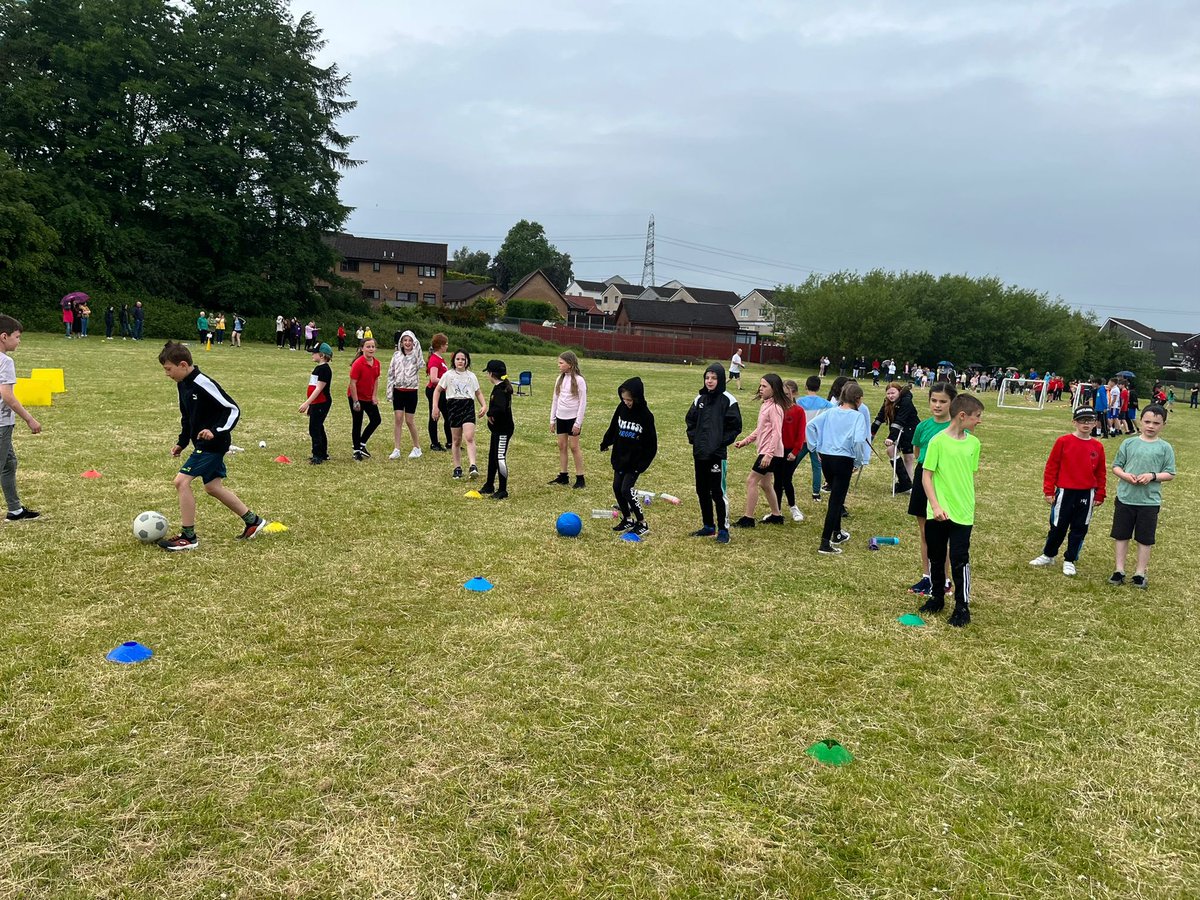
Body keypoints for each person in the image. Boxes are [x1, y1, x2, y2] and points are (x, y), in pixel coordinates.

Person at [156, 341, 266, 550]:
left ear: (182, 364)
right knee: (213, 487)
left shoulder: (202, 382)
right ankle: (253, 521)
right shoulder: (183, 384)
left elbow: (232, 409)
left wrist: (215, 431)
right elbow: (187, 417)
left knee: (181, 482)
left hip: (214, 444)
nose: (167, 374)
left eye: (168, 369)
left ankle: (188, 537)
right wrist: (182, 442)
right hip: (202, 443)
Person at [917, 394, 984, 627]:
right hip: (937, 511)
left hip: (963, 512)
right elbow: (927, 475)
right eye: (977, 417)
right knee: (936, 556)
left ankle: (962, 606)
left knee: (959, 559)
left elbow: (966, 475)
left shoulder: (974, 444)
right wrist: (935, 505)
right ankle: (937, 597)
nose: (979, 421)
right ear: (962, 416)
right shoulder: (937, 441)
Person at [1030, 406, 1107, 575]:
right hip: (1065, 492)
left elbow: (1101, 472)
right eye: (1082, 420)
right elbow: (1052, 467)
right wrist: (1049, 490)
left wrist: (1100, 493)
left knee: (1080, 528)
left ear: (1095, 423)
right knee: (1058, 526)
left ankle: (1070, 559)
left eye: (1090, 420)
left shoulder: (1097, 446)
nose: (1086, 424)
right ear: (1074, 422)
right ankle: (1049, 554)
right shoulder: (1063, 441)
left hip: (1087, 493)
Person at [1108, 405, 1175, 589]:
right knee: (1121, 535)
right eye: (1147, 422)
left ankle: (1139, 572)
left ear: (1163, 425)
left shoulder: (1165, 448)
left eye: (1156, 423)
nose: (1151, 426)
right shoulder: (1128, 443)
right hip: (1125, 498)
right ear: (1140, 421)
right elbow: (1116, 466)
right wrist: (1125, 476)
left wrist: (1152, 476)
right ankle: (1119, 570)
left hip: (1149, 502)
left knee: (1145, 538)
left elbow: (1170, 473)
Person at [907, 382, 958, 596]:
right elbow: (918, 451)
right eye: (934, 400)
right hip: (923, 477)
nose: (937, 405)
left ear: (952, 403)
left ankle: (944, 578)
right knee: (925, 532)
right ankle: (927, 577)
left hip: (943, 481)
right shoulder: (923, 426)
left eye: (943, 401)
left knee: (942, 534)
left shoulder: (955, 428)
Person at [806, 381, 868, 554]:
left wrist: (814, 447)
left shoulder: (831, 411)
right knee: (836, 501)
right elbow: (858, 441)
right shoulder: (858, 417)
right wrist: (858, 461)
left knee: (836, 495)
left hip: (826, 458)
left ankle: (837, 533)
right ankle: (825, 543)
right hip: (844, 460)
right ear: (857, 399)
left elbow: (810, 426)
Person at [685, 363, 742, 543]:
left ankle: (724, 529)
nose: (710, 381)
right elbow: (690, 421)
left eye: (714, 378)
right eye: (707, 377)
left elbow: (735, 427)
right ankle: (708, 526)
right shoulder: (699, 399)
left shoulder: (728, 400)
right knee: (702, 490)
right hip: (700, 453)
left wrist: (719, 442)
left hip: (717, 455)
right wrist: (695, 439)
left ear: (720, 379)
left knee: (717, 492)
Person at [600, 376, 658, 536]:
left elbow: (651, 444)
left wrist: (642, 464)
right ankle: (627, 518)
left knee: (627, 489)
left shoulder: (646, 416)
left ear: (637, 398)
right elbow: (614, 426)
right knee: (617, 488)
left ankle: (642, 522)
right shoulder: (621, 408)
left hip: (635, 461)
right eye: (624, 399)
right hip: (620, 457)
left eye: (629, 399)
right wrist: (606, 442)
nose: (626, 402)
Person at [0, 315, 43, 521]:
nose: (19, 341)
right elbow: (7, 395)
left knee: (9, 463)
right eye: (17, 337)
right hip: (1, 424)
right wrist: (29, 419)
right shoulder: (5, 361)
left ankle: (15, 510)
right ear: (4, 336)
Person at [731, 373, 787, 528]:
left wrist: (769, 455)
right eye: (760, 386)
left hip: (771, 453)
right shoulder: (765, 405)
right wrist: (745, 441)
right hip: (767, 451)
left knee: (751, 481)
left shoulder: (775, 408)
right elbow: (760, 429)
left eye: (764, 386)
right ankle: (777, 516)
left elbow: (777, 432)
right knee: (765, 484)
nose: (760, 389)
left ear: (774, 389)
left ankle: (748, 519)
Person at [432, 349, 487, 479]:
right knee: (456, 440)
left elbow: (478, 392)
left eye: (463, 359)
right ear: (454, 361)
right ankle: (457, 467)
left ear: (467, 361)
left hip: (467, 405)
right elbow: (437, 390)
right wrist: (435, 406)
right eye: (458, 359)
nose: (460, 361)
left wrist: (484, 405)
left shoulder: (471, 376)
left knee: (469, 437)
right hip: (453, 406)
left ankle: (473, 465)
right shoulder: (448, 375)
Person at [871, 383, 921, 494]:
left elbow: (900, 420)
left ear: (899, 392)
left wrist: (891, 438)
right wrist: (871, 432)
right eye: (888, 393)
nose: (890, 396)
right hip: (898, 431)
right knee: (891, 450)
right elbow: (880, 418)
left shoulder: (906, 401)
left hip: (910, 431)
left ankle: (909, 485)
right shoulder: (887, 402)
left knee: (908, 458)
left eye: (893, 393)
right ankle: (905, 483)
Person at [549, 351, 587, 488]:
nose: (558, 365)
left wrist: (578, 423)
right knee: (562, 446)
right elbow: (555, 399)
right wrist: (552, 420)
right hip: (561, 417)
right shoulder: (559, 379)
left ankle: (580, 477)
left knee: (574, 447)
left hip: (573, 419)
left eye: (561, 363)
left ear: (570, 364)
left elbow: (582, 403)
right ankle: (563, 475)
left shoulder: (579, 380)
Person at [794, 375, 834, 502]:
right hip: (817, 440)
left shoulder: (799, 402)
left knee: (793, 462)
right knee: (816, 466)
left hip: (802, 438)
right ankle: (816, 493)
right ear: (819, 387)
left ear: (806, 386)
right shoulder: (827, 404)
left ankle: (784, 483)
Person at [772, 379, 807, 522]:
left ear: (794, 393)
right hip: (777, 450)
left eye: (788, 393)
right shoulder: (776, 408)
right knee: (777, 480)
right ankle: (776, 510)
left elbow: (801, 433)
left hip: (790, 451)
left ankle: (793, 507)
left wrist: (795, 451)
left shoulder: (798, 411)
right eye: (782, 393)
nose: (785, 396)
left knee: (787, 479)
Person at [386, 329, 424, 459]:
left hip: (411, 392)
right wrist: (389, 392)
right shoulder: (396, 355)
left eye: (410, 340)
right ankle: (396, 448)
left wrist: (417, 347)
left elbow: (421, 364)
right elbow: (391, 374)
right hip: (398, 390)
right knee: (398, 419)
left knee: (409, 420)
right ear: (401, 342)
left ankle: (417, 447)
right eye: (405, 340)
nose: (407, 343)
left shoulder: (416, 355)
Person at [481, 360, 514, 499]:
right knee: (492, 456)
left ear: (491, 374)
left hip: (503, 431)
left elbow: (500, 409)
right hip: (497, 430)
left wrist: (490, 414)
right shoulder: (499, 387)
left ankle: (502, 489)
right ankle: (489, 484)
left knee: (500, 457)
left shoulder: (501, 390)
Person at [298, 342, 333, 465]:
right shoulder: (318, 368)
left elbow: (319, 389)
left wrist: (307, 403)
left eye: (314, 352)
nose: (312, 354)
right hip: (316, 403)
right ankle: (322, 453)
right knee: (318, 426)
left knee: (315, 428)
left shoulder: (324, 369)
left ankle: (318, 455)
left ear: (322, 355)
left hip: (322, 402)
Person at [347, 338, 381, 461]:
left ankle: (361, 444)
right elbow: (353, 383)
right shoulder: (358, 363)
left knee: (376, 420)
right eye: (368, 346)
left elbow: (376, 380)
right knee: (357, 422)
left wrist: (374, 396)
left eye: (373, 346)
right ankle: (356, 451)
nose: (371, 349)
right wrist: (356, 401)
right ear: (362, 349)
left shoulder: (376, 363)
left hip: (368, 397)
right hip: (356, 397)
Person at [425, 333, 452, 451]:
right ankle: (434, 443)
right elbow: (433, 378)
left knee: (448, 416)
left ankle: (450, 442)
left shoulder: (440, 358)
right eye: (445, 344)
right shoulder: (434, 359)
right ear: (440, 346)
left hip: (441, 391)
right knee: (434, 415)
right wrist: (447, 380)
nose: (447, 346)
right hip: (434, 391)